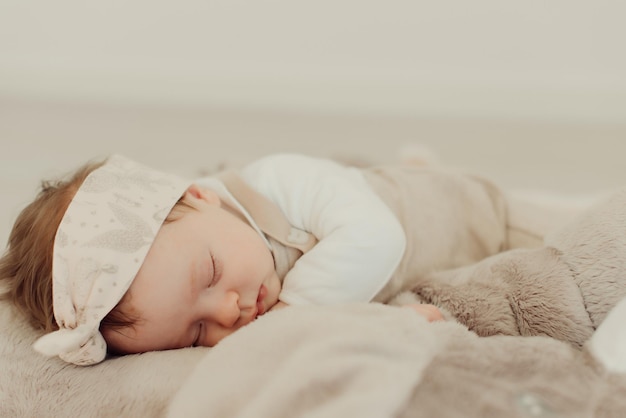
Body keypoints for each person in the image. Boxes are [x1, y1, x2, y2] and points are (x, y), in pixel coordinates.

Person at [0, 152, 569, 365]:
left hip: (477, 215)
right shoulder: (211, 252)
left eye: (212, 274)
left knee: (567, 242)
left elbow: (377, 239)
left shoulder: (276, 182)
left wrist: (295, 318)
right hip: (426, 280)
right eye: (195, 333)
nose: (228, 312)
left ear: (200, 196)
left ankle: (414, 167)